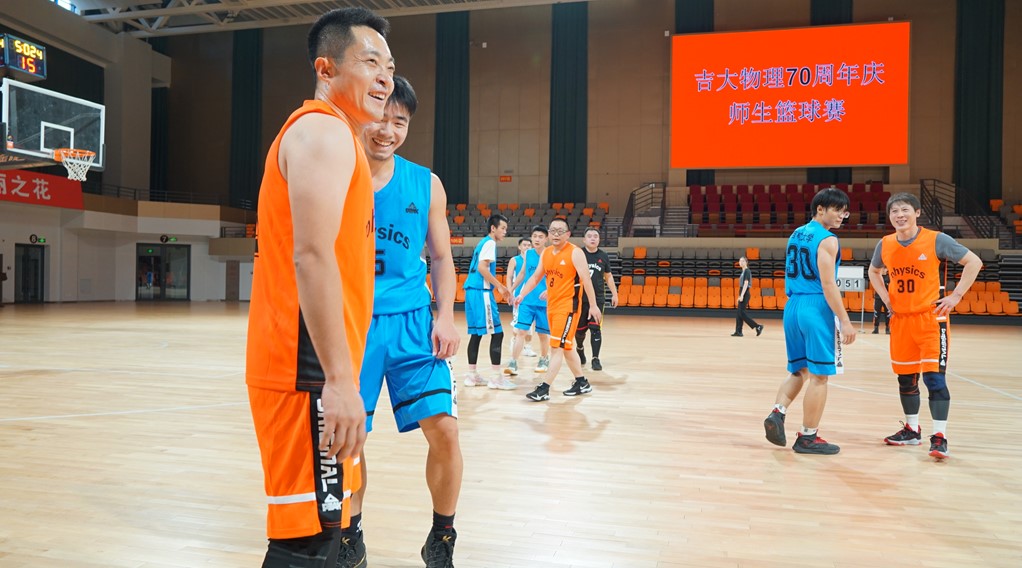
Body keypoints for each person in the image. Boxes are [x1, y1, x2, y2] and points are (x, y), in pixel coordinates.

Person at [245, 8, 392, 567]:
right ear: (326, 68)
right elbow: (310, 256)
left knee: (331, 536)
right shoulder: (322, 131)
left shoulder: (340, 137)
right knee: (306, 545)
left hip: (316, 372)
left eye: (390, 67)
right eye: (370, 62)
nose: (385, 77)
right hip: (305, 371)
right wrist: (338, 382)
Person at [341, 76, 462, 568]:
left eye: (400, 122)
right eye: (380, 118)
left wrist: (446, 316)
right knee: (349, 441)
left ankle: (442, 537)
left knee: (446, 431)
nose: (387, 131)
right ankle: (349, 535)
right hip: (353, 325)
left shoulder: (426, 183)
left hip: (414, 324)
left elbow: (442, 257)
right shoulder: (337, 173)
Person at [868, 192, 982, 460]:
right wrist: (886, 298)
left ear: (917, 213)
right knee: (906, 379)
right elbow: (874, 271)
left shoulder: (936, 239)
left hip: (930, 319)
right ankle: (912, 430)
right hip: (901, 320)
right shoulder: (885, 244)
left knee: (934, 379)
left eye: (905, 209)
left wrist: (956, 296)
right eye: (894, 211)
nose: (899, 215)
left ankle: (940, 436)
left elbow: (974, 262)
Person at [762, 187, 856, 455]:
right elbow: (828, 284)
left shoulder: (796, 233)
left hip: (793, 306)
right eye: (837, 210)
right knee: (820, 377)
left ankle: (778, 412)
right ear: (820, 209)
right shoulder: (828, 239)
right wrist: (845, 320)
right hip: (815, 307)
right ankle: (808, 437)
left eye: (844, 212)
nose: (841, 216)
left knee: (799, 370)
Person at [515, 218, 602, 402]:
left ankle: (544, 388)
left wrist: (593, 305)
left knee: (556, 347)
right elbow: (535, 278)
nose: (556, 234)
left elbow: (586, 280)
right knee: (567, 346)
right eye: (553, 230)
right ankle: (582, 382)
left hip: (568, 307)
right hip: (552, 306)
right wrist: (522, 294)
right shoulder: (546, 253)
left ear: (567, 234)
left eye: (560, 231)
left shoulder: (575, 252)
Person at [462, 214, 514, 389]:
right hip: (481, 292)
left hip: (471, 291)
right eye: (503, 228)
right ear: (493, 228)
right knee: (497, 333)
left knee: (476, 334)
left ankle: (471, 376)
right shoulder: (490, 243)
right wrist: (500, 286)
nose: (505, 232)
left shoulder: (482, 242)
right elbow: (482, 268)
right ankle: (496, 378)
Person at [504, 226, 552, 376]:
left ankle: (544, 359)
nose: (537, 239)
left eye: (540, 237)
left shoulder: (550, 253)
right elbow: (522, 274)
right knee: (521, 332)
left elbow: (556, 277)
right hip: (526, 300)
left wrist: (550, 291)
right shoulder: (528, 254)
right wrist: (511, 290)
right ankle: (513, 362)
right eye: (535, 236)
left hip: (544, 301)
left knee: (542, 334)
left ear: (546, 239)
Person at [575, 227, 618, 371]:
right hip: (580, 298)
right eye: (589, 236)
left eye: (595, 236)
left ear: (599, 240)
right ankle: (580, 348)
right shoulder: (578, 254)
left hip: (598, 299)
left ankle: (595, 358)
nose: (593, 238)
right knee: (579, 332)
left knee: (595, 329)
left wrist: (615, 294)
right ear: (584, 239)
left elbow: (608, 276)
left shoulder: (603, 256)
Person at [505, 237, 539, 361]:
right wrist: (510, 291)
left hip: (532, 294)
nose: (527, 247)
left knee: (531, 324)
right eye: (524, 245)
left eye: (529, 245)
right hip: (518, 294)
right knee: (518, 323)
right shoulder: (514, 260)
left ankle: (528, 347)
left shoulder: (535, 259)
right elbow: (509, 277)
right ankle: (514, 340)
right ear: (519, 247)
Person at [732, 256, 764, 337]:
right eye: (740, 261)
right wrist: (739, 295)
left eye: (743, 261)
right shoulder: (743, 271)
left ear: (746, 262)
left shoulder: (747, 271)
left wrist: (742, 295)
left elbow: (746, 283)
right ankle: (738, 331)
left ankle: (757, 326)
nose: (741, 262)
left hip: (745, 293)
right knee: (739, 313)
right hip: (742, 292)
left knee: (741, 313)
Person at [872, 267, 891, 334]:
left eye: (885, 269)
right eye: (882, 269)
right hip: (878, 298)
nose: (883, 270)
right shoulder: (877, 277)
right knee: (876, 313)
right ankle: (876, 328)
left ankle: (887, 328)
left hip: (887, 298)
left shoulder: (889, 278)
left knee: (888, 314)